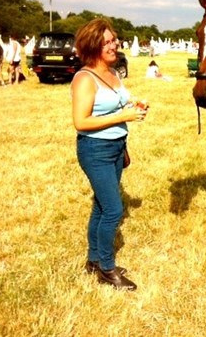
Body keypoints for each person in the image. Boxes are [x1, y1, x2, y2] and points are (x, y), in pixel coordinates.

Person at [71, 18, 149, 291]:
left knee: (101, 206)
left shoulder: (114, 73)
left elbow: (118, 101)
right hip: (95, 150)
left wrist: (134, 103)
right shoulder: (84, 78)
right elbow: (81, 122)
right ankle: (106, 268)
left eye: (114, 39)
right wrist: (124, 115)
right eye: (107, 41)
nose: (114, 44)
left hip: (117, 147)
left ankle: (93, 261)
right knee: (114, 210)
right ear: (93, 46)